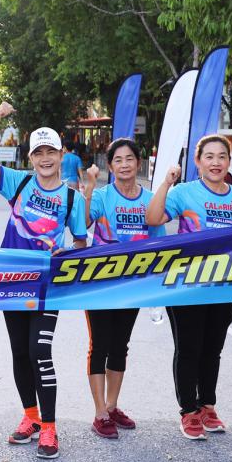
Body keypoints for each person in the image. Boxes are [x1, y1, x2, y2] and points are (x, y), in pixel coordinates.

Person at [0, 102, 88, 460]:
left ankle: (49, 427)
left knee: (39, 351)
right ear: (31, 157)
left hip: (47, 287)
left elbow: (80, 243)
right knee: (20, 352)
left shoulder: (72, 198)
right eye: (39, 153)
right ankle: (31, 417)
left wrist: (67, 252)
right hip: (11, 283)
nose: (45, 158)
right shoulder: (17, 181)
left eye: (51, 151)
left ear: (61, 155)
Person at [145, 134, 232, 441]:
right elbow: (153, 218)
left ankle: (207, 406)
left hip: (224, 288)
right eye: (209, 156)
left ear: (229, 161)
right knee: (189, 349)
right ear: (197, 162)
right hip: (186, 286)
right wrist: (166, 183)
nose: (216, 162)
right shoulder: (183, 192)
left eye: (222, 157)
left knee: (212, 350)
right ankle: (189, 411)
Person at [80, 138, 155, 439]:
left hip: (132, 285)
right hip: (100, 282)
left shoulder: (150, 199)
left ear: (139, 163)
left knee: (120, 345)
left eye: (129, 159)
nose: (124, 165)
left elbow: (159, 239)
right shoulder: (102, 196)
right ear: (110, 167)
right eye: (118, 160)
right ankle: (99, 412)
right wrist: (88, 189)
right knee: (99, 345)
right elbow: (84, 222)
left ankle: (112, 406)